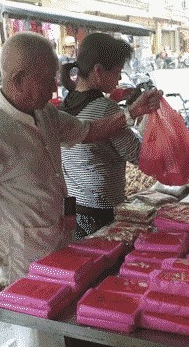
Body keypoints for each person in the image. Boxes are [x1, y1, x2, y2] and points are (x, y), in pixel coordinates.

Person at [0, 31, 162, 347]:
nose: (55, 89)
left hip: (58, 247)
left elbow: (89, 131)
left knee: (64, 339)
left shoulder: (44, 115)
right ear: (18, 79)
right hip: (20, 258)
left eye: (56, 77)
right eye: (46, 80)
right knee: (39, 345)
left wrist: (132, 112)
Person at [58, 32, 141, 238]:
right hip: (101, 211)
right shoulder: (106, 110)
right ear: (98, 71)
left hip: (71, 207)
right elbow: (138, 155)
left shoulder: (63, 106)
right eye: (117, 72)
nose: (120, 78)